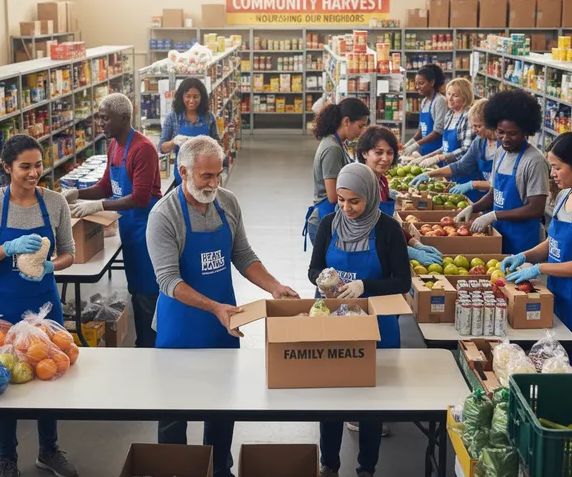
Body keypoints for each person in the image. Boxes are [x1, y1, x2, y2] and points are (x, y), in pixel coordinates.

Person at [147, 135, 298, 477]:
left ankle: (219, 469)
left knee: (222, 408)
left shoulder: (227, 203)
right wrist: (215, 307)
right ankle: (174, 469)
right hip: (180, 330)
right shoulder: (164, 215)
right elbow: (168, 281)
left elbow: (242, 254)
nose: (214, 183)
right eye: (206, 177)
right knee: (174, 411)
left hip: (222, 325)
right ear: (183, 171)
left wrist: (274, 286)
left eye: (218, 174)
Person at [0, 135, 78, 477]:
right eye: (25, 167)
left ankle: (49, 450)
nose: (34, 173)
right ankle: (7, 458)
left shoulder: (55, 203)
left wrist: (52, 266)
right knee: (3, 381)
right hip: (1, 313)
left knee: (50, 375)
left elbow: (69, 253)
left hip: (45, 309)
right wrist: (7, 248)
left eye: (38, 165)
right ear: (6, 167)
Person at [307, 163, 412, 477]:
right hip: (334, 321)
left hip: (376, 325)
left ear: (370, 194)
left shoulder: (389, 229)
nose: (346, 208)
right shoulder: (329, 224)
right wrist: (325, 280)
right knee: (332, 398)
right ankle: (329, 463)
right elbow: (313, 269)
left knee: (371, 400)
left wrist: (365, 286)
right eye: (341, 200)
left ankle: (367, 466)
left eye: (354, 201)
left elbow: (402, 281)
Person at [501, 133, 572, 371]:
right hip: (558, 293)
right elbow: (553, 243)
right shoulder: (565, 195)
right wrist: (525, 256)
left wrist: (539, 268)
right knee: (554, 363)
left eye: (556, 168)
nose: (552, 174)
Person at [62, 93, 161, 348]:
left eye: (105, 118)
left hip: (146, 230)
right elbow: (107, 185)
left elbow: (139, 198)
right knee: (136, 291)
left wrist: (98, 206)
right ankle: (144, 344)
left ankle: (152, 347)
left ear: (124, 118)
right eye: (99, 118)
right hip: (129, 228)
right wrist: (77, 194)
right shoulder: (115, 145)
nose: (101, 124)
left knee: (147, 294)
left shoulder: (143, 149)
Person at [455, 89, 548, 254]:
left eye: (513, 133)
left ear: (526, 131)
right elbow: (494, 194)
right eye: (501, 132)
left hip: (522, 242)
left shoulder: (534, 160)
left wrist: (494, 215)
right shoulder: (500, 153)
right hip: (499, 235)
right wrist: (473, 208)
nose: (505, 138)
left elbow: (536, 208)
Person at [357, 125, 442, 267]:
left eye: (390, 153)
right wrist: (408, 250)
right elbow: (367, 231)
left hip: (384, 254)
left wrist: (412, 242)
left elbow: (386, 224)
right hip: (368, 256)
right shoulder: (360, 184)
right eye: (379, 152)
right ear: (365, 153)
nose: (385, 158)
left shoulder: (382, 182)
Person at [304, 98, 370, 249]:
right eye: (360, 126)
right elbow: (333, 196)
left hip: (331, 217)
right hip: (323, 220)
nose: (361, 132)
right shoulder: (332, 149)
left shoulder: (338, 143)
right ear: (346, 121)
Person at [410, 98, 497, 203]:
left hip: (501, 200)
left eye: (478, 126)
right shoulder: (479, 142)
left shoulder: (504, 146)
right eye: (473, 126)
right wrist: (429, 174)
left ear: (490, 123)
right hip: (485, 199)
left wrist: (472, 184)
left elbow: (500, 182)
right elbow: (460, 166)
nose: (474, 130)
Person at [159, 77, 220, 187]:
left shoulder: (208, 117)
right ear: (181, 97)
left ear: (202, 98)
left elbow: (218, 146)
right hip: (183, 175)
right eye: (188, 96)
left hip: (206, 175)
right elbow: (162, 148)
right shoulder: (173, 117)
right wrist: (175, 141)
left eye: (195, 97)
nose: (191, 101)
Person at [414, 77, 475, 169]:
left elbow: (466, 150)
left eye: (455, 95)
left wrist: (439, 158)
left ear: (465, 96)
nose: (450, 98)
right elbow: (445, 147)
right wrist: (426, 157)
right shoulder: (449, 115)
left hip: (463, 172)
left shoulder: (468, 117)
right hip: (447, 169)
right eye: (448, 94)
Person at [401, 64, 446, 157]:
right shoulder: (424, 102)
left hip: (437, 152)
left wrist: (416, 144)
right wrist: (410, 143)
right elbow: (421, 130)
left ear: (432, 82)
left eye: (421, 83)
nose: (417, 87)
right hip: (425, 150)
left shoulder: (439, 101)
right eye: (416, 84)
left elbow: (437, 131)